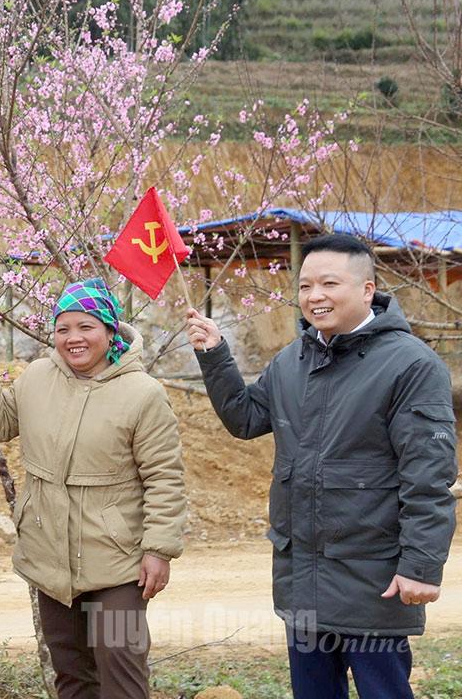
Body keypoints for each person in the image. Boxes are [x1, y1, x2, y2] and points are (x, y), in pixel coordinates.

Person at [185, 233, 457, 699]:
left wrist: (421, 565)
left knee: (383, 692)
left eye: (329, 283)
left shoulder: (410, 365)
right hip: (303, 575)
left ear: (367, 289)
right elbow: (247, 419)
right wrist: (215, 355)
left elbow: (428, 475)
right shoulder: (294, 360)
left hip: (374, 577)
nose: (315, 296)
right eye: (306, 285)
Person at [0, 277, 186, 699]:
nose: (73, 338)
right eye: (63, 329)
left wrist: (159, 549)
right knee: (71, 671)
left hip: (120, 562)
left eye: (86, 327)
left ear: (109, 330)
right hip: (51, 556)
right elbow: (0, 423)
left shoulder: (143, 393)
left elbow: (164, 476)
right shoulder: (39, 377)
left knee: (121, 667)